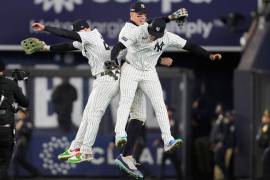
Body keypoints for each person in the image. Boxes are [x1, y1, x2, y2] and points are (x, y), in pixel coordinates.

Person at [31, 19, 171, 166]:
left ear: (85, 29)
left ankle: (86, 151)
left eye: (78, 32)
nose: (77, 35)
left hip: (108, 77)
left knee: (95, 114)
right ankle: (75, 147)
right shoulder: (87, 38)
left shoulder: (90, 35)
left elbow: (67, 35)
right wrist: (46, 48)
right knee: (87, 114)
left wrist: (46, 28)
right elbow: (67, 45)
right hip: (102, 78)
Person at [111, 18, 222, 177]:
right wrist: (112, 60)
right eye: (152, 32)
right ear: (148, 27)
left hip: (148, 72)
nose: (153, 36)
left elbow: (189, 45)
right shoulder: (139, 31)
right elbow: (119, 46)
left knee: (160, 105)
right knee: (126, 101)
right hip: (131, 68)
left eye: (157, 34)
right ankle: (120, 133)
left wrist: (209, 56)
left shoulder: (167, 37)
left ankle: (168, 139)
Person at [113, 2, 188, 179]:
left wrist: (170, 17)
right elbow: (120, 50)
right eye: (139, 15)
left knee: (140, 117)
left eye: (144, 15)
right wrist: (112, 61)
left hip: (141, 70)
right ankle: (119, 135)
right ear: (131, 14)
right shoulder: (129, 30)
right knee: (120, 104)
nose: (143, 17)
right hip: (124, 68)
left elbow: (155, 25)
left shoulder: (145, 26)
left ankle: (127, 156)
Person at [0, 59, 29, 180]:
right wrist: (17, 85)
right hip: (5, 131)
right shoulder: (10, 84)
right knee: (2, 166)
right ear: (4, 70)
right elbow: (25, 103)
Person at [153, 106, 182, 180]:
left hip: (172, 146)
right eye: (168, 111)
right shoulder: (165, 121)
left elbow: (175, 133)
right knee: (163, 163)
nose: (169, 113)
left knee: (176, 163)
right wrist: (159, 141)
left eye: (170, 111)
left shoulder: (174, 122)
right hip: (166, 146)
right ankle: (161, 177)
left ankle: (180, 177)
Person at [11, 110, 40, 178]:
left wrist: (20, 129)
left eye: (21, 113)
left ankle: (15, 176)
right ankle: (35, 172)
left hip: (23, 143)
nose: (19, 114)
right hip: (17, 142)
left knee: (17, 158)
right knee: (19, 159)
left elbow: (28, 132)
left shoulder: (27, 121)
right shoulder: (18, 121)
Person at [256, 109, 270, 180]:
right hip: (263, 149)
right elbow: (259, 139)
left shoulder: (267, 127)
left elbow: (265, 140)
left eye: (267, 117)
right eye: (264, 116)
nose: (264, 118)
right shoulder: (263, 126)